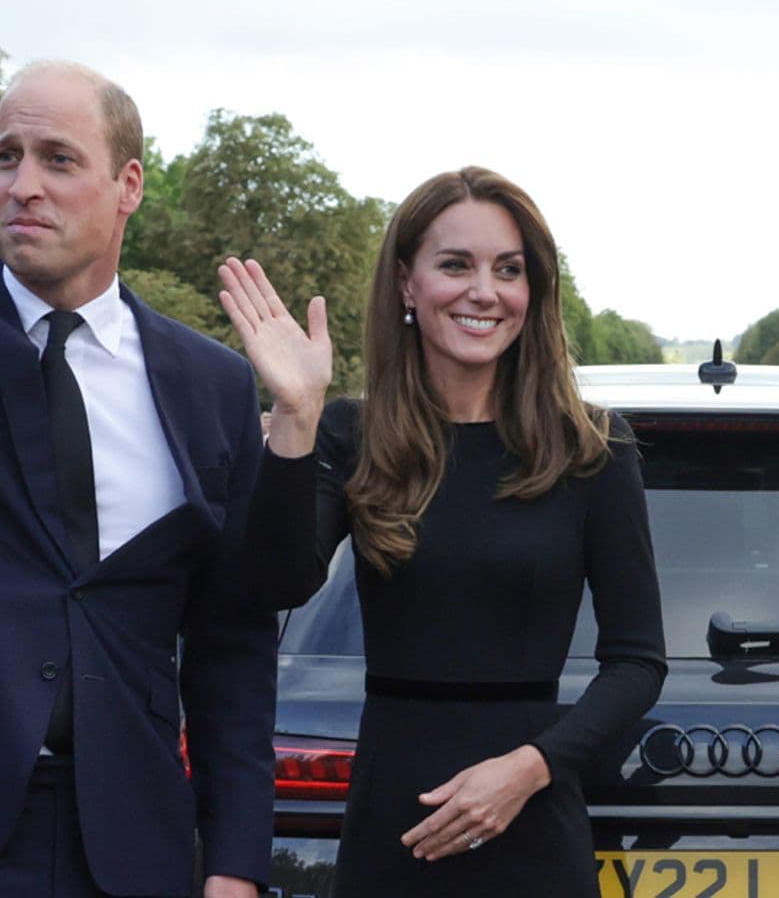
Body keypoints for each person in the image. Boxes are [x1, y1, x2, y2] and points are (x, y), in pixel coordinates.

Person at [219, 165, 667, 896]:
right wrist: (295, 415)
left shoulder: (592, 449)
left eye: (509, 269)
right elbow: (274, 583)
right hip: (393, 827)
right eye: (455, 264)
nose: (484, 291)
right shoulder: (349, 432)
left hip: (534, 826)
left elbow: (638, 662)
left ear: (534, 291)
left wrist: (530, 768)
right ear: (406, 283)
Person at [0, 61, 277, 897]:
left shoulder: (212, 385)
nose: (21, 186)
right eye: (4, 156)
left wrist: (234, 861)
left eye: (56, 158)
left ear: (128, 185)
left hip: (134, 844)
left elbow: (234, 644)